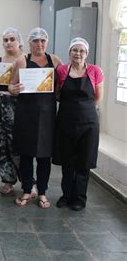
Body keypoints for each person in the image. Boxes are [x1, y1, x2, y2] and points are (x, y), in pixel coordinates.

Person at [9, 27, 63, 209]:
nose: (39, 44)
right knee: (26, 154)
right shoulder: (22, 60)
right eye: (35, 41)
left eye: (42, 41)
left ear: (46, 42)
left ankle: (42, 192)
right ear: (29, 43)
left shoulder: (54, 60)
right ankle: (26, 189)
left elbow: (61, 85)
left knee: (44, 156)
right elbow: (11, 86)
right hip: (26, 114)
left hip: (48, 116)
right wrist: (13, 90)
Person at [53, 37, 103, 211]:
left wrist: (83, 110)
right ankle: (66, 196)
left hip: (88, 123)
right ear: (69, 52)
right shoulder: (61, 71)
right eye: (74, 50)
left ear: (86, 54)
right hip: (65, 121)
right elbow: (57, 93)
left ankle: (79, 198)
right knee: (67, 162)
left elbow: (97, 97)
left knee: (84, 161)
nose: (78, 54)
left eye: (82, 51)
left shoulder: (95, 71)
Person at [0, 28, 24, 195]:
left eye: (12, 39)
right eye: (6, 39)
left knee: (18, 144)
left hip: (17, 108)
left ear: (19, 41)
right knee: (0, 144)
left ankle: (27, 181)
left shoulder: (26, 61)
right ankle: (8, 180)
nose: (8, 42)